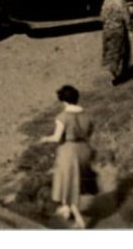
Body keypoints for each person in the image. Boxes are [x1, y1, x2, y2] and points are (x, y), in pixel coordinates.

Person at [44, 85, 94, 229]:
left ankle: (79, 220)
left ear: (62, 100)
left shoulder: (62, 117)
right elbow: (89, 131)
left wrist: (45, 139)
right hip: (84, 149)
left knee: (67, 182)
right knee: (76, 181)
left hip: (69, 152)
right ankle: (66, 208)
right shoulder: (87, 115)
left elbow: (57, 138)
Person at [101, 0, 133, 85]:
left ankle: (109, 69)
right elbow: (127, 18)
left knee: (109, 50)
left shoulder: (106, 2)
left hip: (107, 30)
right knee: (119, 51)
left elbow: (102, 16)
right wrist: (130, 30)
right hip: (119, 31)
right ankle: (116, 74)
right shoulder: (122, 3)